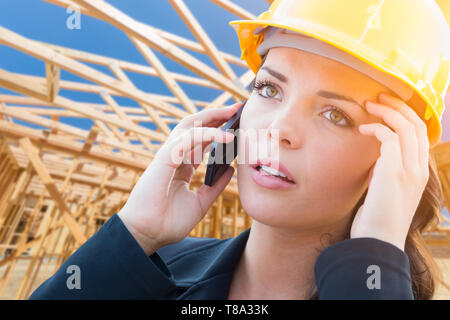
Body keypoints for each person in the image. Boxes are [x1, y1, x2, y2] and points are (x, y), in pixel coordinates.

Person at [29, 0, 449, 300]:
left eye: (336, 115)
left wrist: (371, 265)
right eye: (268, 89)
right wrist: (135, 234)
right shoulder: (151, 269)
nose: (278, 128)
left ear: (393, 161)